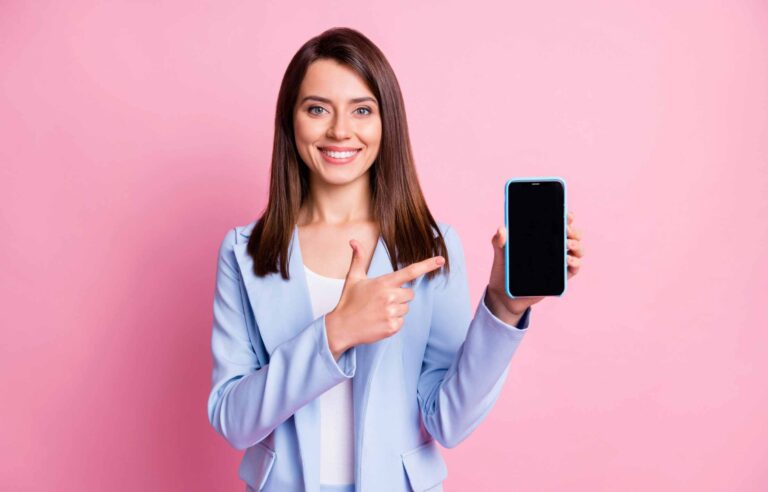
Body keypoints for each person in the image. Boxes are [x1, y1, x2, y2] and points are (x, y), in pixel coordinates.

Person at [207, 27, 584, 492]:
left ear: (388, 122)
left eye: (362, 110)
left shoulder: (430, 249)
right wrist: (335, 332)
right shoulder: (244, 252)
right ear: (291, 120)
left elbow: (447, 420)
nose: (340, 130)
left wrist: (505, 308)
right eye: (317, 108)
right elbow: (232, 419)